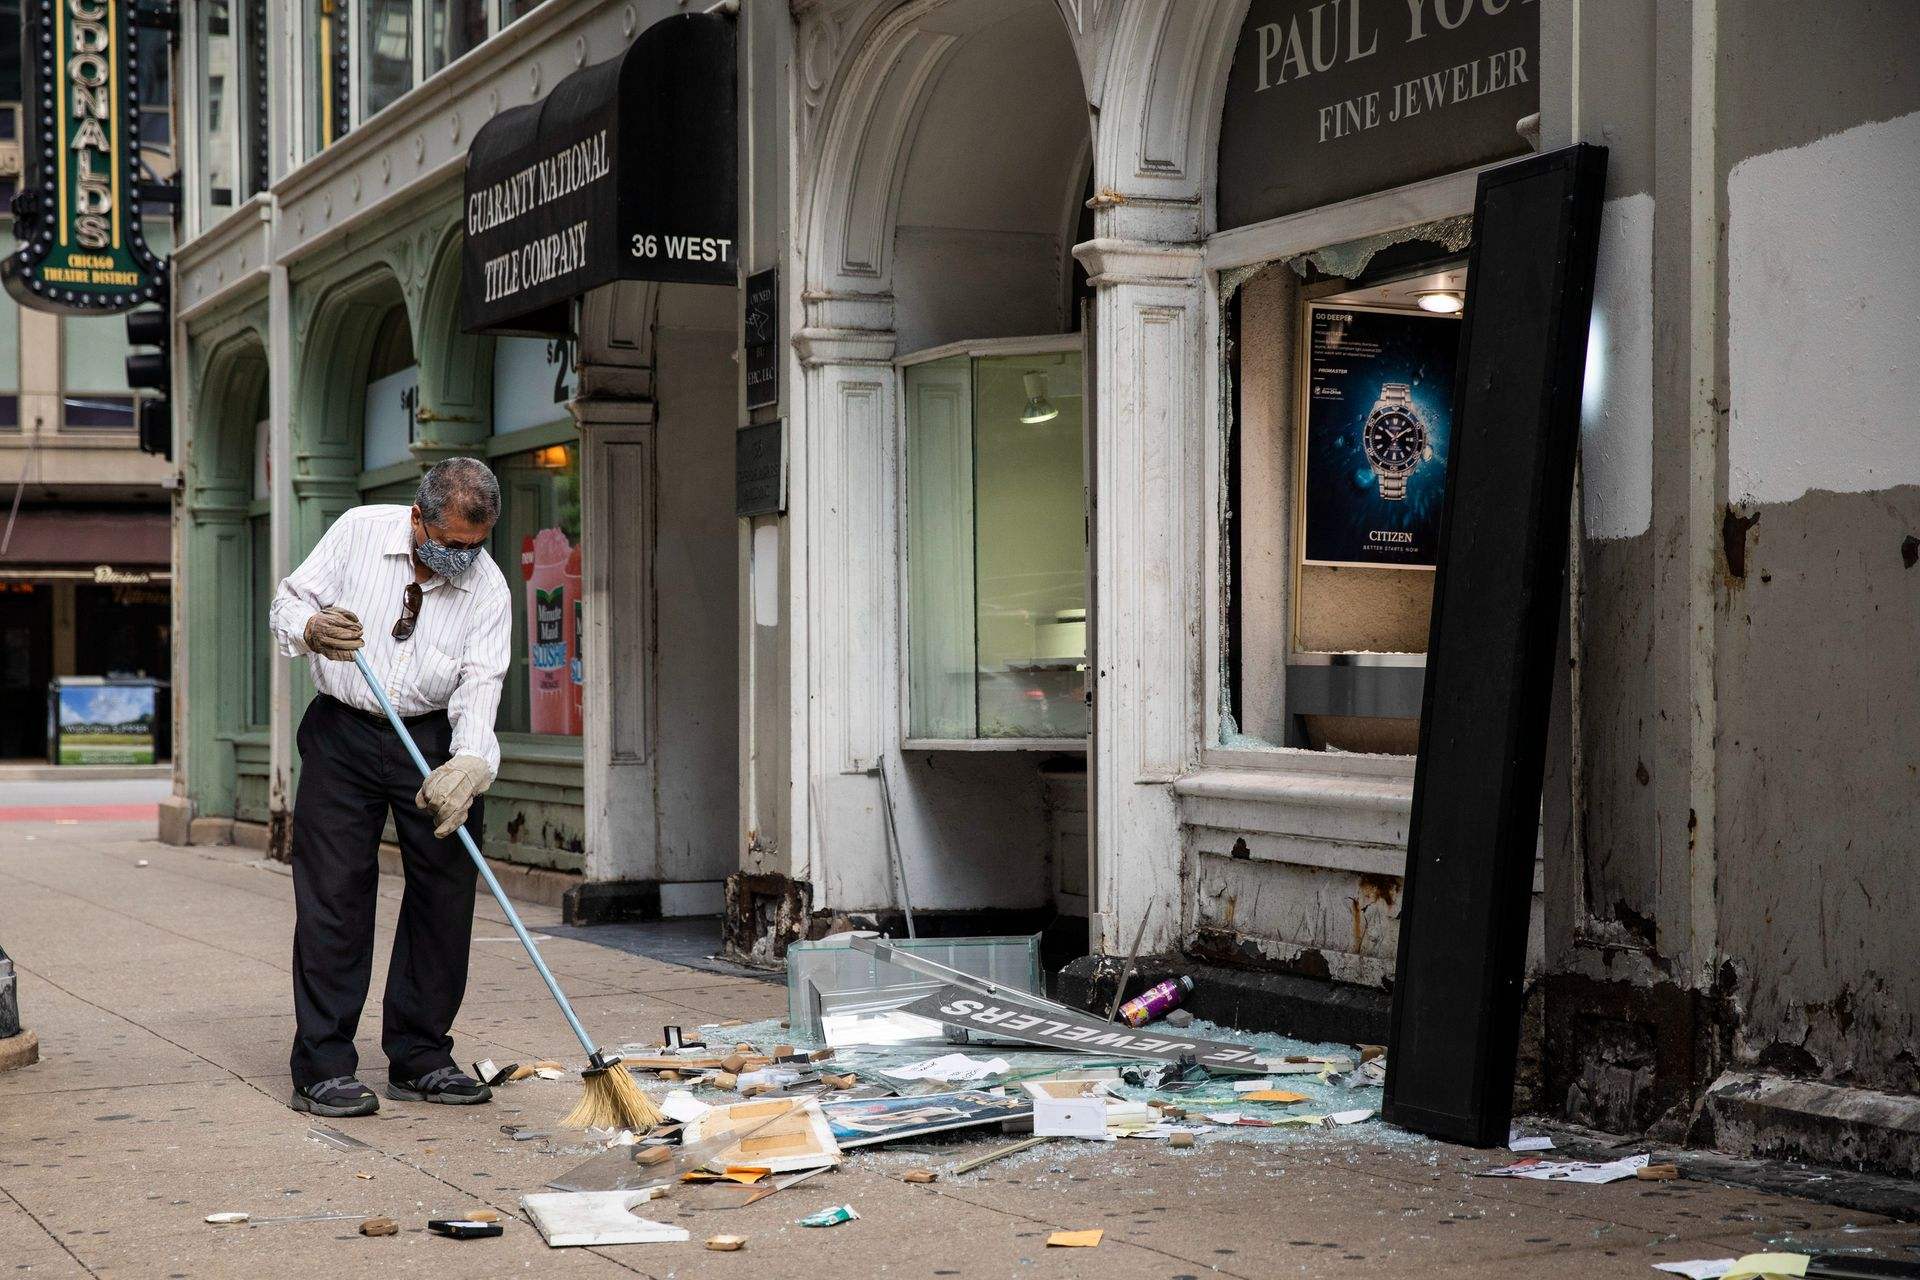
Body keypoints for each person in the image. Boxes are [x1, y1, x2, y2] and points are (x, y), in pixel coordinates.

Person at [268, 457, 512, 1117]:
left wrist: (467, 768)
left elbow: (480, 686)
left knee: (443, 897)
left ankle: (421, 1055)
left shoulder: (487, 590)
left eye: (476, 544)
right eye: (451, 543)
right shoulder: (357, 532)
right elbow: (290, 600)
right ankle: (322, 1066)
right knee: (335, 897)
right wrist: (310, 629)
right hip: (343, 733)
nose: (463, 558)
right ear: (417, 518)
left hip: (432, 739)